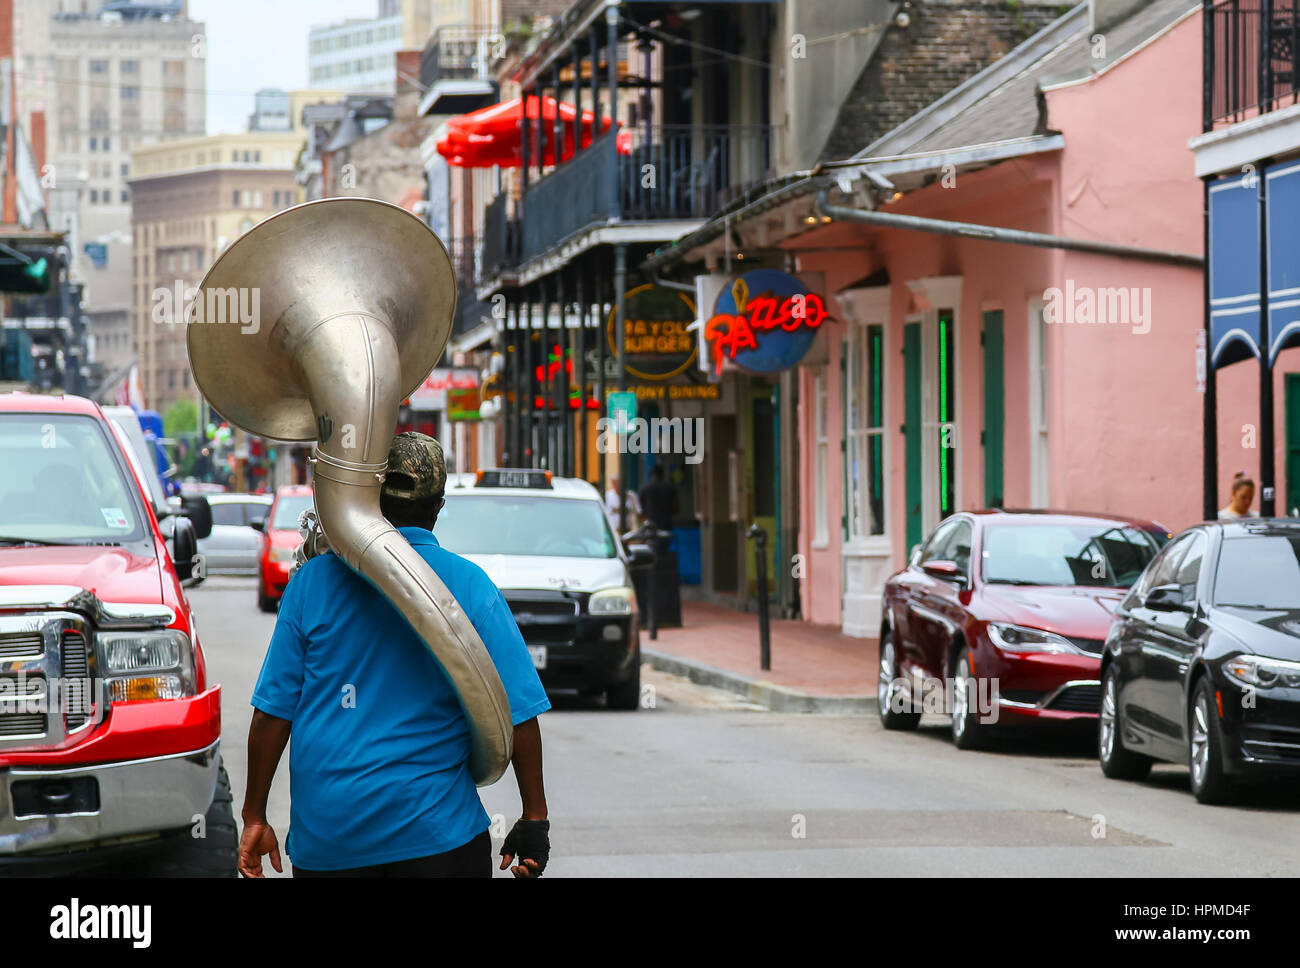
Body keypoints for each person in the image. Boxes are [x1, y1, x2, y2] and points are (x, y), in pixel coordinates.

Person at [238, 432, 552, 878]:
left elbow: (272, 715)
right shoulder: (471, 585)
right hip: (441, 843)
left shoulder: (311, 584)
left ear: (369, 494)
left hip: (330, 845)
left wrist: (255, 815)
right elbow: (518, 712)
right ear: (439, 506)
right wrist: (534, 818)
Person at [638, 464, 677, 533]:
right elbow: (676, 508)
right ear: (662, 475)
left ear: (650, 475)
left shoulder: (644, 489)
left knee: (651, 542)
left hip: (650, 525)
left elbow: (640, 510)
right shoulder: (669, 488)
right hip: (666, 524)